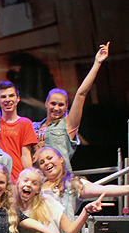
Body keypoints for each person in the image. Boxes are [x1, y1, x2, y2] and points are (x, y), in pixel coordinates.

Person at [33, 43, 110, 171]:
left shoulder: (67, 124)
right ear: (46, 103)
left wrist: (97, 63)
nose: (56, 108)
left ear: (66, 107)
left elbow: (81, 94)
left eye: (61, 105)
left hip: (61, 179)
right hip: (38, 180)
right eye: (53, 104)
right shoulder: (33, 126)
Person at [0, 81, 38, 181]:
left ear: (18, 98)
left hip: (17, 179)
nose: (7, 100)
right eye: (3, 97)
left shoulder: (25, 123)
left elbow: (26, 155)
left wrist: (29, 179)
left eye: (11, 96)